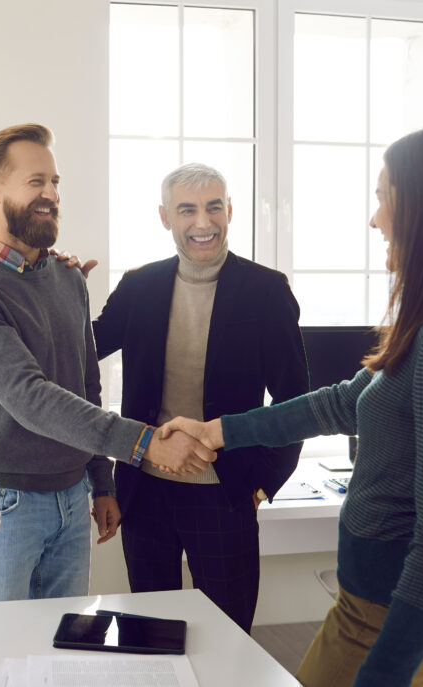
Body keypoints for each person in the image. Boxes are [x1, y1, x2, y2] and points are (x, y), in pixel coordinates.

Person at [161, 126, 423, 687]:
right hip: (384, 597)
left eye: (383, 196)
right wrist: (219, 431)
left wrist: (384, 673)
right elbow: (344, 402)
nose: (375, 217)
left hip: (398, 604)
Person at [0, 123, 216, 604]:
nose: (51, 195)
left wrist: (100, 482)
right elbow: (32, 399)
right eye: (35, 182)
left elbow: (86, 384)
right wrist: (144, 443)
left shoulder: (67, 277)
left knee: (62, 652)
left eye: (55, 182)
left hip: (71, 498)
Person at [89, 163, 309, 633]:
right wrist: (59, 287)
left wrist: (267, 478)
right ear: (165, 216)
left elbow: (295, 396)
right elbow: (81, 353)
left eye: (214, 207)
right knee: (150, 630)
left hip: (225, 493)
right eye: (187, 210)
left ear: (229, 210)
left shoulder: (266, 291)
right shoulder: (138, 286)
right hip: (144, 491)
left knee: (228, 635)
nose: (203, 223)